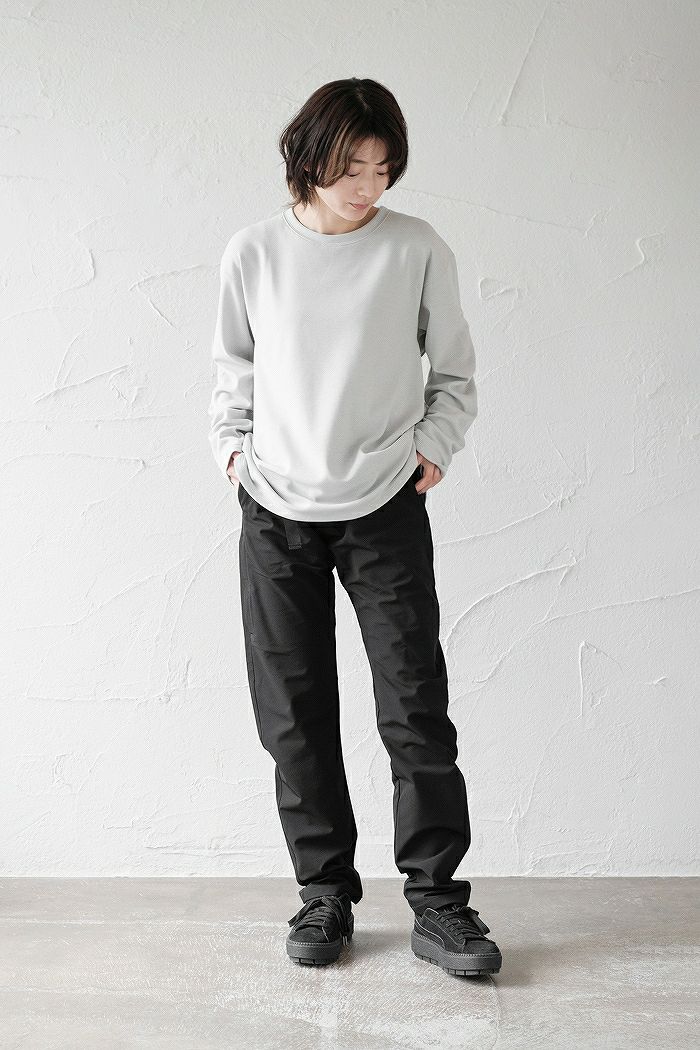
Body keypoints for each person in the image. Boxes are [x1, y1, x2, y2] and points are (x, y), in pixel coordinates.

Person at [207, 77, 502, 977]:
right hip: (275, 510)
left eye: (384, 169)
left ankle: (439, 904)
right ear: (309, 160)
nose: (369, 187)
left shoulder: (415, 247)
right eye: (352, 169)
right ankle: (324, 893)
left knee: (414, 705)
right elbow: (232, 370)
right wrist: (233, 453)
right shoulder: (255, 252)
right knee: (294, 715)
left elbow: (454, 371)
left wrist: (434, 446)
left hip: (384, 506)